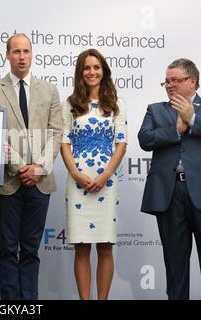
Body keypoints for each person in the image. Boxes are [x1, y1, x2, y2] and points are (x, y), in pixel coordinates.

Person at [0, 33, 62, 300]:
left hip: (40, 182)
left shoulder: (49, 90)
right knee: (7, 250)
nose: (21, 56)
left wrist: (39, 167)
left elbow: (56, 133)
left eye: (26, 51)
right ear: (7, 55)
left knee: (30, 250)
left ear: (32, 54)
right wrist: (21, 167)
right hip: (9, 181)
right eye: (16, 51)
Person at [138, 58, 201, 300]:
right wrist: (176, 130)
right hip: (170, 194)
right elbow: (145, 139)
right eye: (166, 81)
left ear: (192, 81)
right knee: (175, 267)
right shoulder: (155, 109)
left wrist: (193, 119)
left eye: (175, 80)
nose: (169, 85)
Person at [60, 49, 127, 300]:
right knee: (81, 247)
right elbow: (64, 141)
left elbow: (121, 142)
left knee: (106, 247)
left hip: (106, 183)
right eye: (87, 68)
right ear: (80, 72)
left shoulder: (117, 104)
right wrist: (75, 173)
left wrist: (106, 175)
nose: (92, 72)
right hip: (78, 183)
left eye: (96, 67)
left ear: (104, 70)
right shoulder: (70, 103)